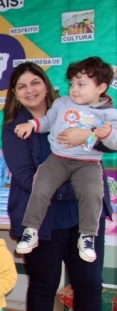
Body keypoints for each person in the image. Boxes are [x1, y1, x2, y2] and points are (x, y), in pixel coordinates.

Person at [2, 61, 113, 311]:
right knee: (42, 286)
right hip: (45, 219)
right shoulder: (16, 127)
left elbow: (107, 141)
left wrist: (87, 134)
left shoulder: (79, 109)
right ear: (14, 94)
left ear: (47, 84)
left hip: (84, 217)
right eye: (22, 86)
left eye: (35, 82)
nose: (30, 90)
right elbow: (26, 176)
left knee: (89, 286)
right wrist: (69, 185)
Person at [14, 57, 116, 262]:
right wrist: (32, 125)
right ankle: (31, 229)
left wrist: (105, 134)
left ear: (101, 88)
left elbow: (113, 143)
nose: (74, 89)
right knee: (41, 184)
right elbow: (48, 121)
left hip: (87, 164)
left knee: (93, 191)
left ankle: (87, 236)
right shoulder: (62, 103)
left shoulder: (109, 113)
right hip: (58, 159)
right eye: (72, 84)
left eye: (81, 84)